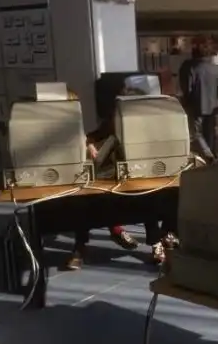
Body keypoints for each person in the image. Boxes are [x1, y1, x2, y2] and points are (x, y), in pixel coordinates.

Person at [66, 86, 177, 270]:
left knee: (150, 197)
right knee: (84, 202)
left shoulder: (149, 124)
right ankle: (80, 247)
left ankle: (156, 243)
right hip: (114, 176)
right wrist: (89, 144)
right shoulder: (113, 123)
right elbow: (91, 137)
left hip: (142, 175)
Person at [188, 42, 218, 163]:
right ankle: (212, 153)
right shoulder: (216, 69)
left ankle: (207, 153)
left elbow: (188, 89)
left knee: (197, 132)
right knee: (210, 131)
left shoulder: (194, 69)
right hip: (213, 106)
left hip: (197, 105)